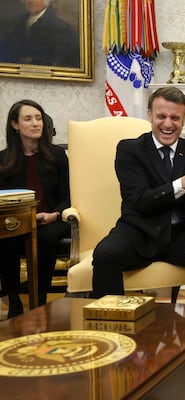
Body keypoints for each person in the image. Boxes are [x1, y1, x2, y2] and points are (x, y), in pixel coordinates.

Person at [91, 86, 185, 305]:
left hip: (179, 237)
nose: (168, 124)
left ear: (184, 119)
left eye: (175, 117)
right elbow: (141, 202)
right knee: (105, 254)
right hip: (138, 233)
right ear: (150, 115)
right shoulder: (129, 150)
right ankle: (112, 331)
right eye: (161, 116)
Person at [0, 99, 70, 317]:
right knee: (6, 239)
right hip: (17, 221)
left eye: (39, 118)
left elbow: (68, 196)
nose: (35, 123)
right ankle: (14, 301)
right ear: (15, 124)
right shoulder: (3, 159)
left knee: (45, 238)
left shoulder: (57, 155)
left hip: (52, 219)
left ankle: (39, 301)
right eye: (28, 119)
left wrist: (54, 215)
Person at [0, 0, 79, 67]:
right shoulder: (17, 23)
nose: (30, 1)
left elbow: (64, 60)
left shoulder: (62, 28)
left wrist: (34, 60)